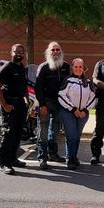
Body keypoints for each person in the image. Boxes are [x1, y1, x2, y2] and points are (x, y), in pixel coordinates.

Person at [34, 42, 70, 170]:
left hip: (60, 104)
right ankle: (42, 158)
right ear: (48, 52)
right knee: (43, 132)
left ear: (61, 51)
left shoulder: (66, 66)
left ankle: (53, 154)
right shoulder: (43, 67)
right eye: (53, 50)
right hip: (46, 102)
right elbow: (38, 87)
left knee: (55, 131)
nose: (55, 52)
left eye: (57, 49)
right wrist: (42, 104)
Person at [0, 44, 28, 175]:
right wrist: (5, 105)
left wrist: (26, 99)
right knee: (9, 133)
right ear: (11, 53)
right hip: (9, 103)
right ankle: (3, 162)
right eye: (16, 52)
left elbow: (24, 85)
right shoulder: (7, 67)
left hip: (20, 103)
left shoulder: (22, 67)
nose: (19, 54)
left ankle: (13, 158)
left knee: (18, 133)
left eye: (21, 52)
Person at [58, 58, 97, 170]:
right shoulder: (68, 80)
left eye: (80, 67)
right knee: (72, 136)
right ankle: (70, 158)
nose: (78, 69)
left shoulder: (88, 82)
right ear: (72, 68)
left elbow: (93, 97)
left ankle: (74, 156)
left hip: (83, 114)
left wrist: (85, 110)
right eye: (76, 67)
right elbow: (61, 96)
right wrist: (73, 109)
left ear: (83, 68)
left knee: (77, 136)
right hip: (68, 113)